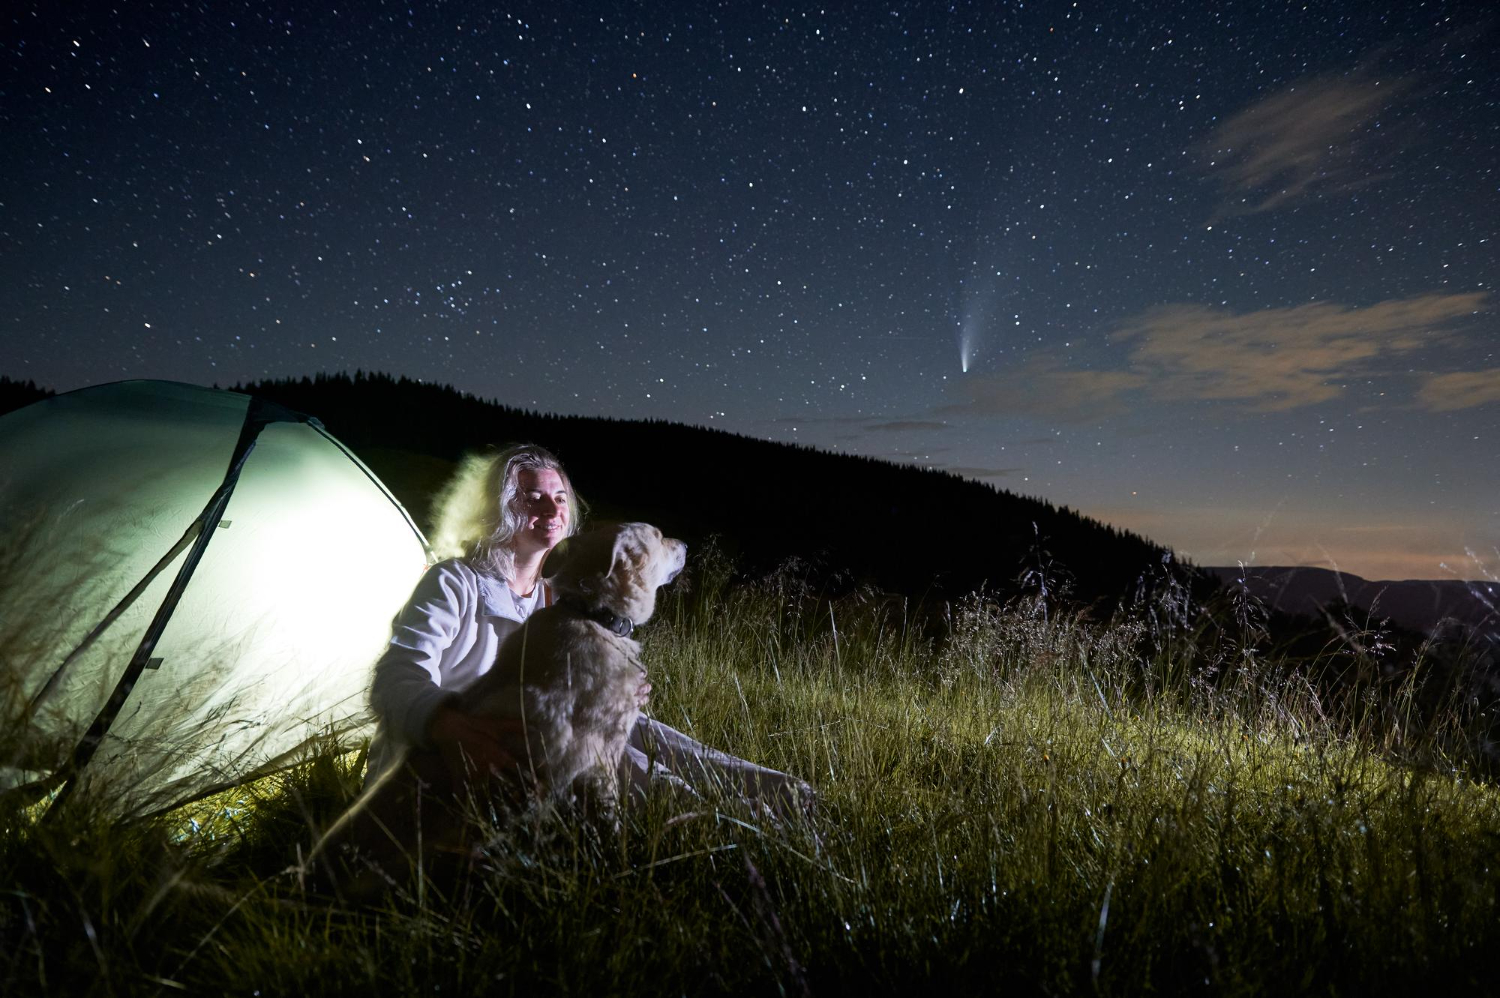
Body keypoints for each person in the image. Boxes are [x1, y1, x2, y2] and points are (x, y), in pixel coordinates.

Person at [366, 444, 810, 817]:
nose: (551, 508)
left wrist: (616, 691)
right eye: (531, 497)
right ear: (498, 507)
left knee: (641, 728)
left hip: (546, 740)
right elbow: (395, 675)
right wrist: (450, 725)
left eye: (559, 497)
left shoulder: (558, 599)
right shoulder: (455, 582)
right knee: (611, 754)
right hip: (456, 759)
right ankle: (733, 824)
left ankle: (789, 796)